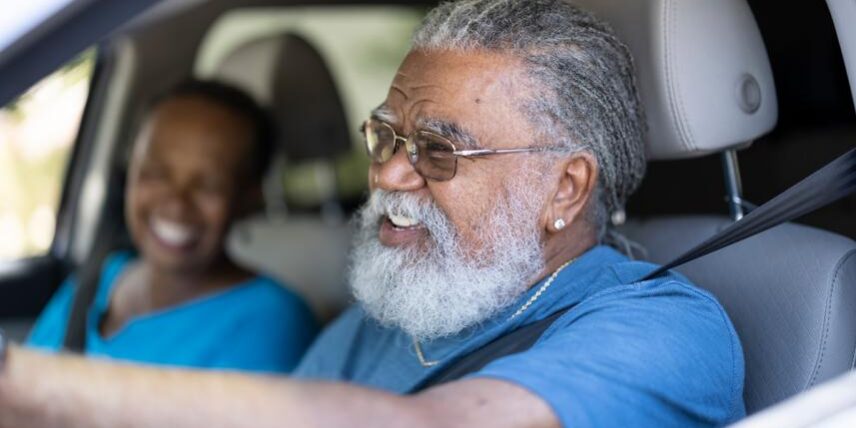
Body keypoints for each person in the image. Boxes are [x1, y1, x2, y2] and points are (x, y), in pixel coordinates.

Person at [0, 1, 744, 427]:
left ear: (565, 190)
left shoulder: (662, 328)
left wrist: (26, 382)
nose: (386, 173)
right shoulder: (382, 322)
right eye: (386, 134)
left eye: (439, 151)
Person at [25, 79, 318, 373]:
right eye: (155, 173)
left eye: (209, 185)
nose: (177, 203)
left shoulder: (271, 322)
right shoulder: (97, 279)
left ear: (248, 198)